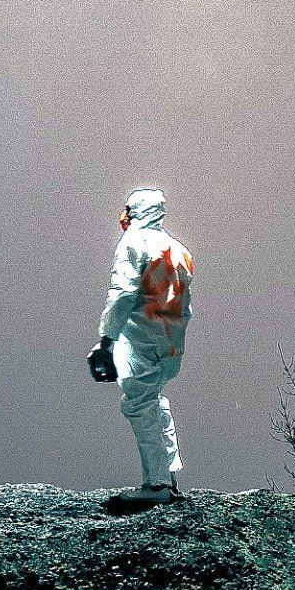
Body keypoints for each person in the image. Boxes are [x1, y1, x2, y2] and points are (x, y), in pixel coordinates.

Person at [90, 187, 194, 504]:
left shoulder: (134, 243)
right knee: (153, 400)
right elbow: (185, 302)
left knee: (138, 404)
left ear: (135, 211)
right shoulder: (179, 249)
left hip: (140, 337)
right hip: (171, 340)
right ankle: (169, 474)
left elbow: (122, 294)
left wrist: (107, 340)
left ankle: (158, 484)